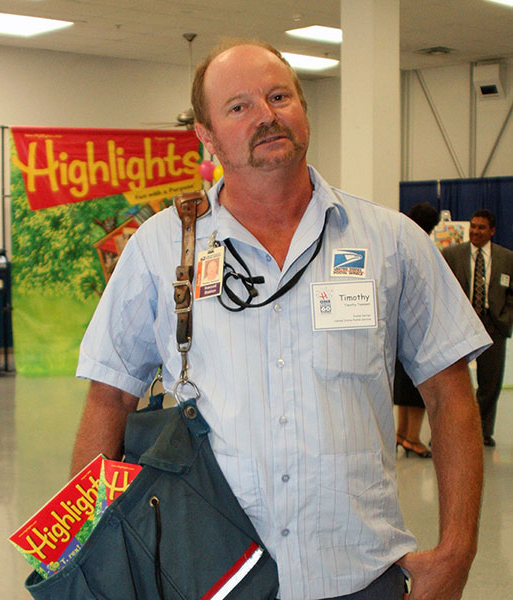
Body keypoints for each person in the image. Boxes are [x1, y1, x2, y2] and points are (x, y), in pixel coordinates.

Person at [72, 40, 491, 600]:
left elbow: (449, 394)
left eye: (279, 96)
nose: (266, 116)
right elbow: (110, 399)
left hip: (360, 576)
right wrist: (92, 557)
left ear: (303, 108)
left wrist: (457, 552)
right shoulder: (159, 248)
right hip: (205, 576)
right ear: (207, 135)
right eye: (239, 106)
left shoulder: (392, 243)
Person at [442, 209, 513, 447]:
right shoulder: (452, 254)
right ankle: (449, 433)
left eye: (481, 227)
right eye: (473, 226)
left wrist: (506, 317)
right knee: (452, 382)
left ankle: (482, 432)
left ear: (492, 231)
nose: (475, 231)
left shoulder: (506, 258)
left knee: (490, 384)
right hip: (460, 325)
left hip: (493, 325)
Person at [394, 203, 439, 459]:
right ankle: (412, 438)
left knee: (401, 386)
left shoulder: (396, 239)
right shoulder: (423, 246)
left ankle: (401, 434)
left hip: (395, 327)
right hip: (417, 328)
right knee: (418, 388)